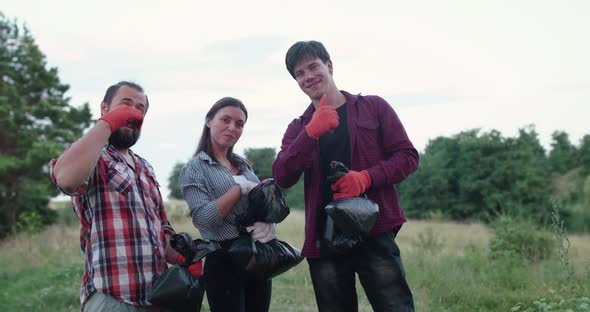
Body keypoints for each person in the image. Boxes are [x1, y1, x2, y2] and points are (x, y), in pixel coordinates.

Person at [272, 40, 419, 312]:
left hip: (373, 230)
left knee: (395, 307)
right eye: (299, 73)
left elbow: (408, 157)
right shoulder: (298, 128)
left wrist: (365, 178)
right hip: (324, 237)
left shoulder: (374, 107)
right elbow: (282, 176)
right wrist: (310, 134)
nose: (308, 76)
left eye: (313, 66)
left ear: (329, 66)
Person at [50, 81, 201, 311]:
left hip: (158, 298)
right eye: (125, 104)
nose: (133, 112)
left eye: (140, 109)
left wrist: (185, 256)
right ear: (104, 108)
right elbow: (66, 179)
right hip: (113, 299)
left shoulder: (145, 167)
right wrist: (107, 125)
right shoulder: (94, 155)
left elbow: (161, 228)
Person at [179, 97, 277, 312]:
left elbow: (262, 205)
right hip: (223, 261)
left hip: (256, 256)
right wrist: (237, 190)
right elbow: (203, 219)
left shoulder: (243, 165)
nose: (232, 128)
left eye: (239, 124)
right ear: (208, 121)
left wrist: (268, 226)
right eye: (225, 120)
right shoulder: (195, 168)